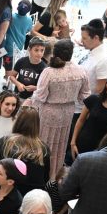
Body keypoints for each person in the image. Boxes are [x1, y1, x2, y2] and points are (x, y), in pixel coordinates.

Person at [29, 39, 89, 177]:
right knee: (60, 145)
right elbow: (84, 95)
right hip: (68, 111)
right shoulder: (81, 71)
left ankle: (40, 175)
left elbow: (41, 96)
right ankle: (54, 176)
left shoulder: (49, 72)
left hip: (49, 111)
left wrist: (31, 102)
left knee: (44, 143)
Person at [0, 107, 49, 195]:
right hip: (34, 196)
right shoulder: (43, 148)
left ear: (17, 121)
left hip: (9, 194)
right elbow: (46, 177)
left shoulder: (7, 142)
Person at [71, 71, 107, 157]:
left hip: (102, 151)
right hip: (82, 145)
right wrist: (73, 142)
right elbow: (81, 120)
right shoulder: (93, 99)